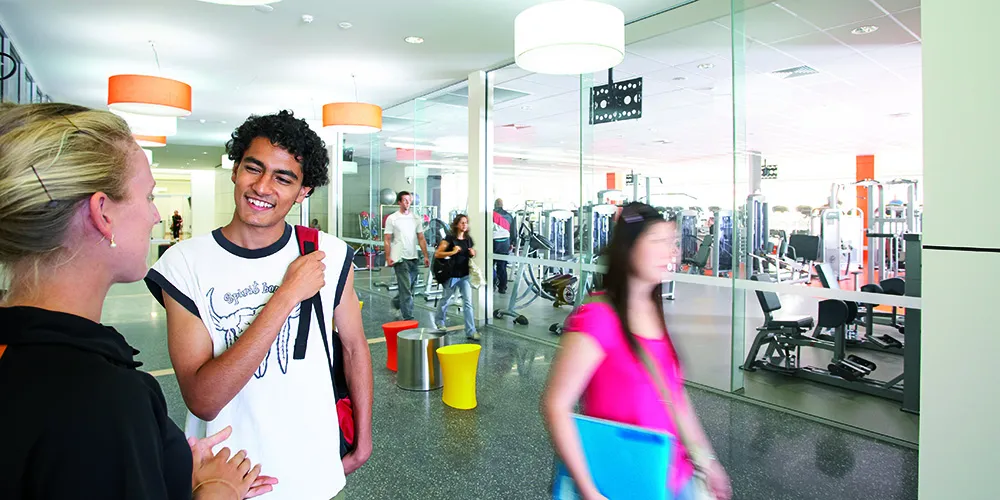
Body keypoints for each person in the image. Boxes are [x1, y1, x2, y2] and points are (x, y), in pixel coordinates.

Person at [0, 102, 275, 499]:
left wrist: (161, 467)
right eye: (148, 196)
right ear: (103, 214)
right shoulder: (101, 401)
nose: (156, 216)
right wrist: (219, 488)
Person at [144, 110, 373, 500]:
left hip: (313, 467)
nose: (263, 187)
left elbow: (353, 346)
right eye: (254, 168)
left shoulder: (328, 254)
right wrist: (286, 295)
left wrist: (363, 439)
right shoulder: (184, 265)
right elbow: (204, 399)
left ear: (304, 192)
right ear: (235, 170)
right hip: (223, 476)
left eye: (284, 178)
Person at [541, 202, 732, 500]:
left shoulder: (654, 311)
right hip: (623, 479)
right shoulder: (598, 317)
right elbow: (556, 405)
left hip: (671, 475)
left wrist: (707, 460)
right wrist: (590, 491)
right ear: (628, 249)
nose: (671, 252)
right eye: (657, 241)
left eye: (672, 242)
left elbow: (674, 397)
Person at [383, 190, 430, 321]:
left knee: (410, 287)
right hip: (399, 257)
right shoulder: (392, 218)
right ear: (399, 202)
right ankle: (408, 318)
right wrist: (388, 256)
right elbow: (387, 238)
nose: (408, 202)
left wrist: (425, 256)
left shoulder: (416, 218)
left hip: (413, 257)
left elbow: (421, 238)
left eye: (409, 200)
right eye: (405, 200)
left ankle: (397, 302)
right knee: (406, 289)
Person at [434, 214, 480, 341]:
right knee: (445, 300)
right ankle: (440, 322)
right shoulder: (449, 239)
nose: (465, 225)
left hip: (464, 275)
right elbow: (438, 254)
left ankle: (471, 331)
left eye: (466, 222)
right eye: (462, 223)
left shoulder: (468, 239)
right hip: (451, 275)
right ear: (456, 225)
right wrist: (452, 252)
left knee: (468, 303)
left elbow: (469, 254)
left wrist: (473, 253)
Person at [492, 198, 515, 294]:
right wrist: (512, 243)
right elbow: (513, 231)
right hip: (505, 243)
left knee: (489, 265)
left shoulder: (490, 215)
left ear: (494, 204)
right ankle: (502, 287)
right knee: (502, 266)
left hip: (493, 242)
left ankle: (492, 283)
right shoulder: (509, 216)